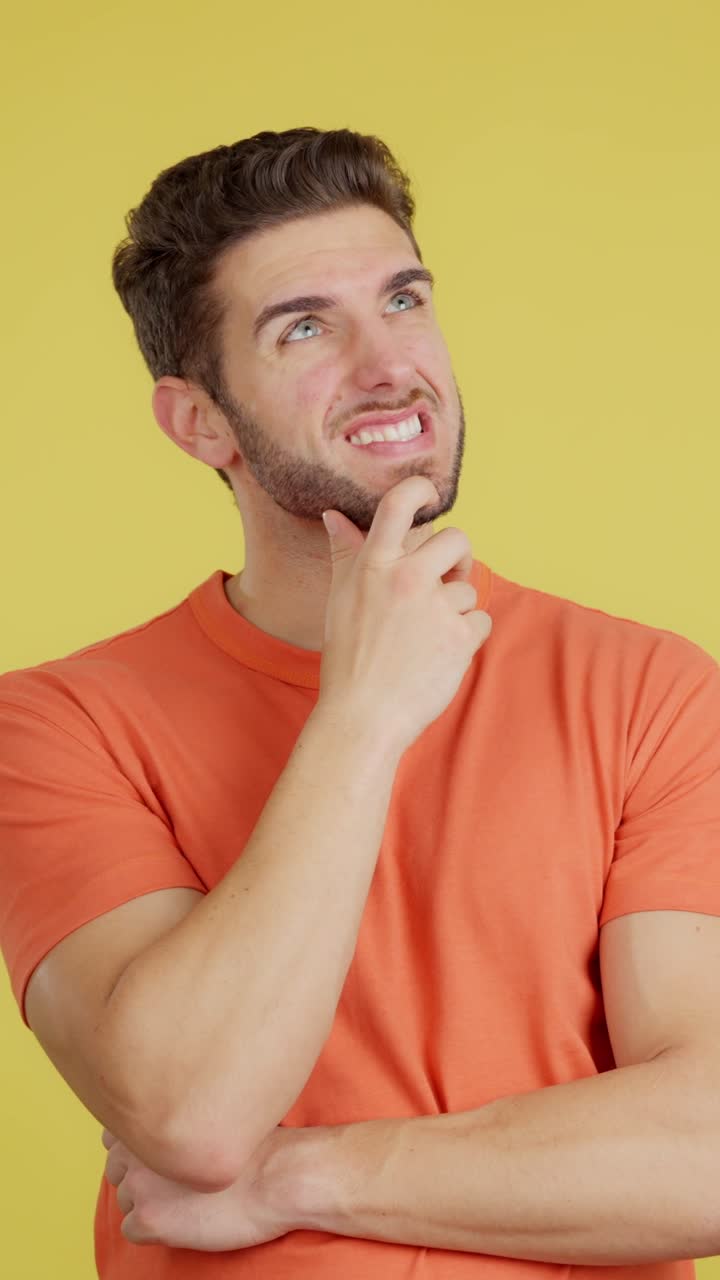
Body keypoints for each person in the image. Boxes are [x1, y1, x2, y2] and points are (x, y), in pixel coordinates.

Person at [1, 126, 720, 1280]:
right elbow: (190, 1110)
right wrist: (364, 712)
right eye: (305, 327)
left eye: (403, 300)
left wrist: (297, 1173)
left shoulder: (649, 691)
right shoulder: (55, 726)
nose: (389, 364)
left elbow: (706, 1154)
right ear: (200, 421)